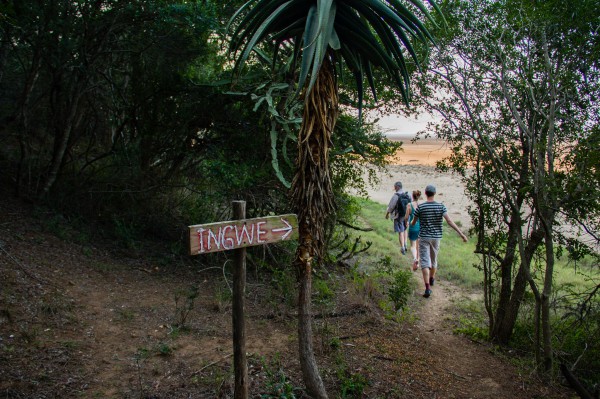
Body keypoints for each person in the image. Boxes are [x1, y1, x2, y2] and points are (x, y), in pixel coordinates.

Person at [411, 184, 468, 298]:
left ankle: (427, 288)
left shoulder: (421, 207)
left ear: (426, 193)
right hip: (436, 237)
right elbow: (449, 221)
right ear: (434, 193)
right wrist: (461, 234)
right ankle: (432, 278)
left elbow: (414, 221)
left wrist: (411, 224)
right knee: (434, 260)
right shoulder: (441, 206)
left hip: (424, 237)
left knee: (425, 262)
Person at [385, 181, 409, 255]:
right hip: (406, 215)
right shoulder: (407, 194)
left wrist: (387, 214)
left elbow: (391, 206)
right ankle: (405, 244)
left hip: (398, 215)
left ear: (397, 187)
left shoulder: (396, 196)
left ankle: (402, 248)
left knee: (400, 232)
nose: (394, 188)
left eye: (395, 187)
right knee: (405, 229)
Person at [404, 190, 422, 271]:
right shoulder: (421, 205)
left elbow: (406, 217)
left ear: (412, 196)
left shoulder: (409, 205)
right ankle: (418, 258)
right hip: (421, 227)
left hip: (413, 227)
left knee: (413, 245)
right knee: (419, 245)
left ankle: (415, 259)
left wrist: (406, 223)